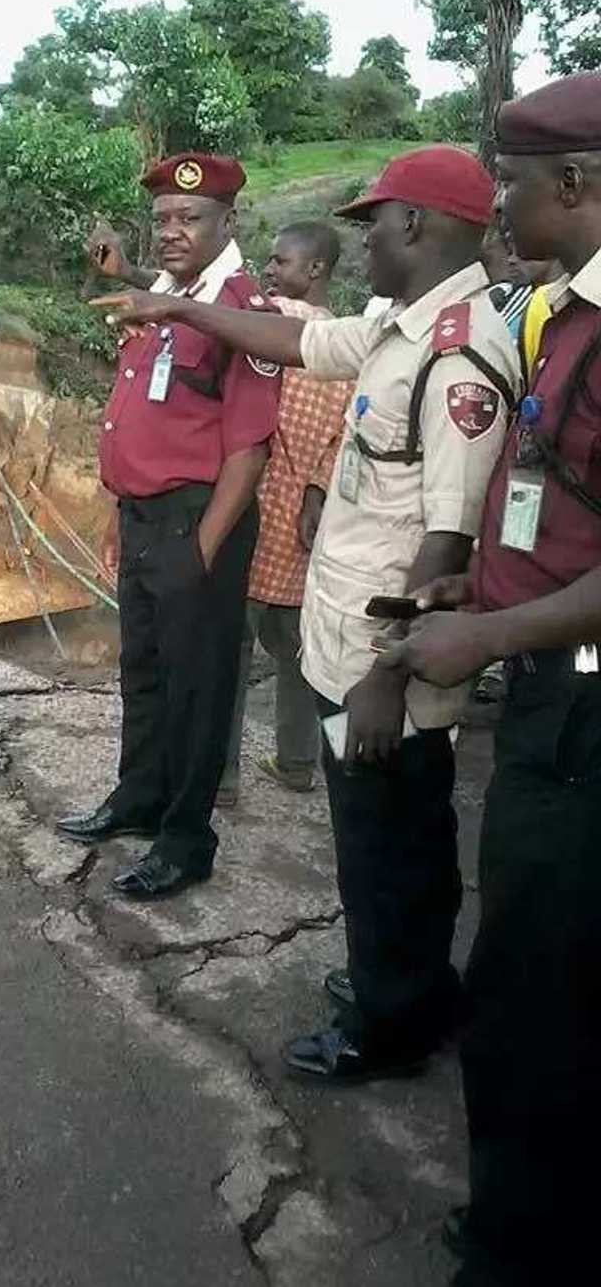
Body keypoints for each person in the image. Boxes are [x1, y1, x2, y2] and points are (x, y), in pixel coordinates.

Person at [94, 146, 519, 1073]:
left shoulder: (457, 361)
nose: (365, 241)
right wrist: (170, 302)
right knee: (394, 836)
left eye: (376, 223)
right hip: (346, 639)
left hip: (384, 662)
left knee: (386, 843)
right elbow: (296, 343)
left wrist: (384, 675)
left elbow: (448, 544)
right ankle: (408, 983)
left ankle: (388, 1022)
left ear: (418, 226)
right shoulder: (398, 325)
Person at [389, 74, 601, 1287]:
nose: (498, 203)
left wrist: (489, 640)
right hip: (543, 674)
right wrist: (475, 590)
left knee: (530, 988)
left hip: (580, 696)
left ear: (572, 183)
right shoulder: (562, 311)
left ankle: (523, 1243)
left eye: (511, 183)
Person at [56, 152, 282, 899]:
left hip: (198, 523)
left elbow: (248, 452)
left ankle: (186, 838)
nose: (173, 231)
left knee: (199, 685)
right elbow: (155, 301)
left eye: (191, 218)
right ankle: (138, 797)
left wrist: (202, 549)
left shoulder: (244, 312)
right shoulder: (170, 294)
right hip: (145, 517)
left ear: (229, 222)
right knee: (144, 672)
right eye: (162, 220)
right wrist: (126, 512)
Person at [222, 222, 354, 797]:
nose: (269, 272)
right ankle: (296, 763)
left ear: (316, 269)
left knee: (229, 649)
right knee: (298, 654)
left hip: (252, 506)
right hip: (304, 522)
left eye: (279, 261)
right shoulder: (348, 344)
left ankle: (220, 775)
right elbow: (345, 437)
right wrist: (318, 492)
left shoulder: (267, 321)